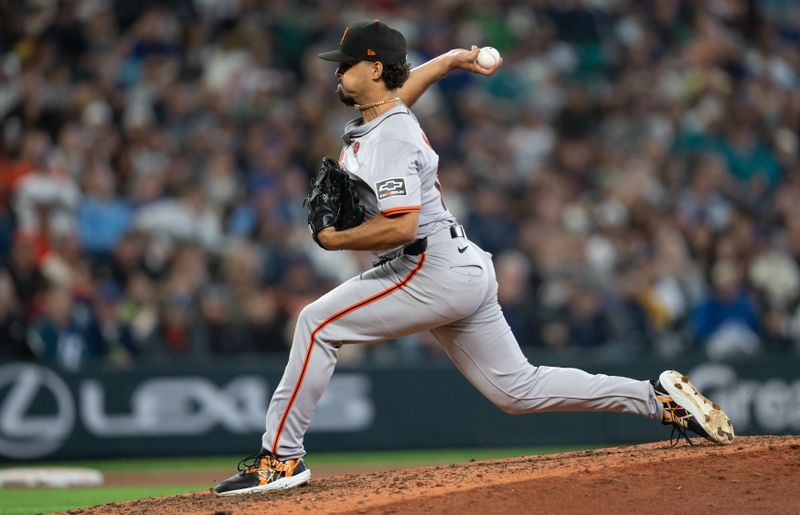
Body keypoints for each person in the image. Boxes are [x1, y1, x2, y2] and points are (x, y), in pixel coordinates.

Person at [214, 20, 734, 496]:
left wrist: (333, 241)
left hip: (428, 266)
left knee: (316, 322)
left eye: (346, 63)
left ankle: (280, 459)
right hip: (458, 266)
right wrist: (448, 61)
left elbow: (401, 224)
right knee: (518, 389)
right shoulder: (385, 116)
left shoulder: (390, 134)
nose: (338, 71)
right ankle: (657, 398)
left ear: (374, 69)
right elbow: (403, 93)